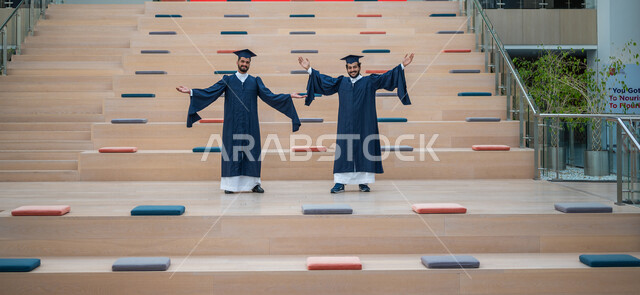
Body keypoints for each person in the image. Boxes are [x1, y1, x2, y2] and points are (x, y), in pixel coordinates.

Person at [177, 49, 305, 194]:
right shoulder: (228, 80)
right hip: (233, 124)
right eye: (242, 61)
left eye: (247, 62)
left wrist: (289, 96)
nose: (245, 64)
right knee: (232, 152)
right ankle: (230, 185)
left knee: (252, 151)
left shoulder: (255, 81)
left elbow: (270, 96)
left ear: (250, 64)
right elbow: (210, 91)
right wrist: (191, 92)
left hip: (251, 124)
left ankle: (254, 184)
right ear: (237, 62)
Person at [298, 53, 414, 193]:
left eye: (354, 67)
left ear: (359, 67)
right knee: (344, 151)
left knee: (365, 150)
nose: (352, 69)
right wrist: (309, 69)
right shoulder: (341, 82)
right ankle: (340, 182)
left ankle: (363, 182)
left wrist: (402, 65)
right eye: (349, 67)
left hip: (365, 123)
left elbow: (386, 77)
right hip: (345, 124)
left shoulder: (369, 81)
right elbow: (324, 81)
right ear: (346, 68)